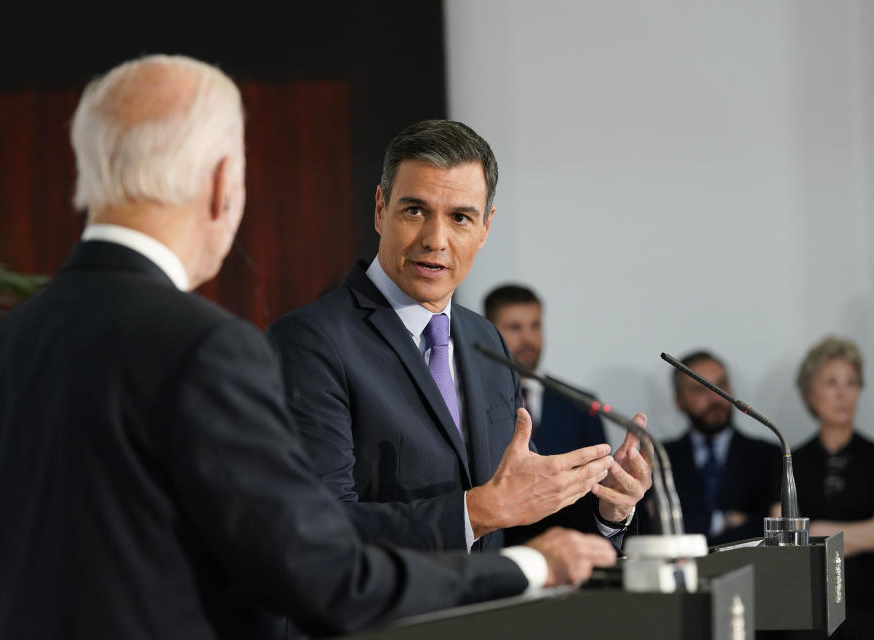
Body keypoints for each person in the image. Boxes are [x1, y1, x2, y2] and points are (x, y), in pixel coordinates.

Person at [0, 55, 620, 640]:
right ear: (225, 184)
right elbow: (320, 570)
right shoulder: (209, 349)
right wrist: (527, 568)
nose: (436, 236)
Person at [267, 120, 651, 557]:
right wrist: (476, 512)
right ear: (379, 209)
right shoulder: (310, 340)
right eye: (414, 211)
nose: (435, 240)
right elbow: (318, 529)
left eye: (460, 218)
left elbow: (517, 520)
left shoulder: (484, 339)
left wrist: (606, 511)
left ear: (485, 228)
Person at [483, 284, 611, 542]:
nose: (528, 339)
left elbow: (598, 489)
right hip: (498, 555)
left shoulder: (581, 404)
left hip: (571, 551)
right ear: (488, 331)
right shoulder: (471, 402)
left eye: (535, 326)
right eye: (514, 328)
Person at [790, 336, 874, 639]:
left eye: (851, 382)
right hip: (806, 607)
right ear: (810, 394)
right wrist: (857, 536)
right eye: (831, 383)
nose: (843, 393)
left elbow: (805, 535)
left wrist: (818, 531)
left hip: (867, 605)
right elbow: (787, 541)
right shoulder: (790, 461)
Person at [661, 350, 781, 544]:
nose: (715, 397)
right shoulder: (660, 457)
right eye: (700, 389)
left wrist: (692, 524)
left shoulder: (768, 454)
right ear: (679, 401)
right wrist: (723, 521)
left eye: (721, 385)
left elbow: (773, 530)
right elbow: (653, 529)